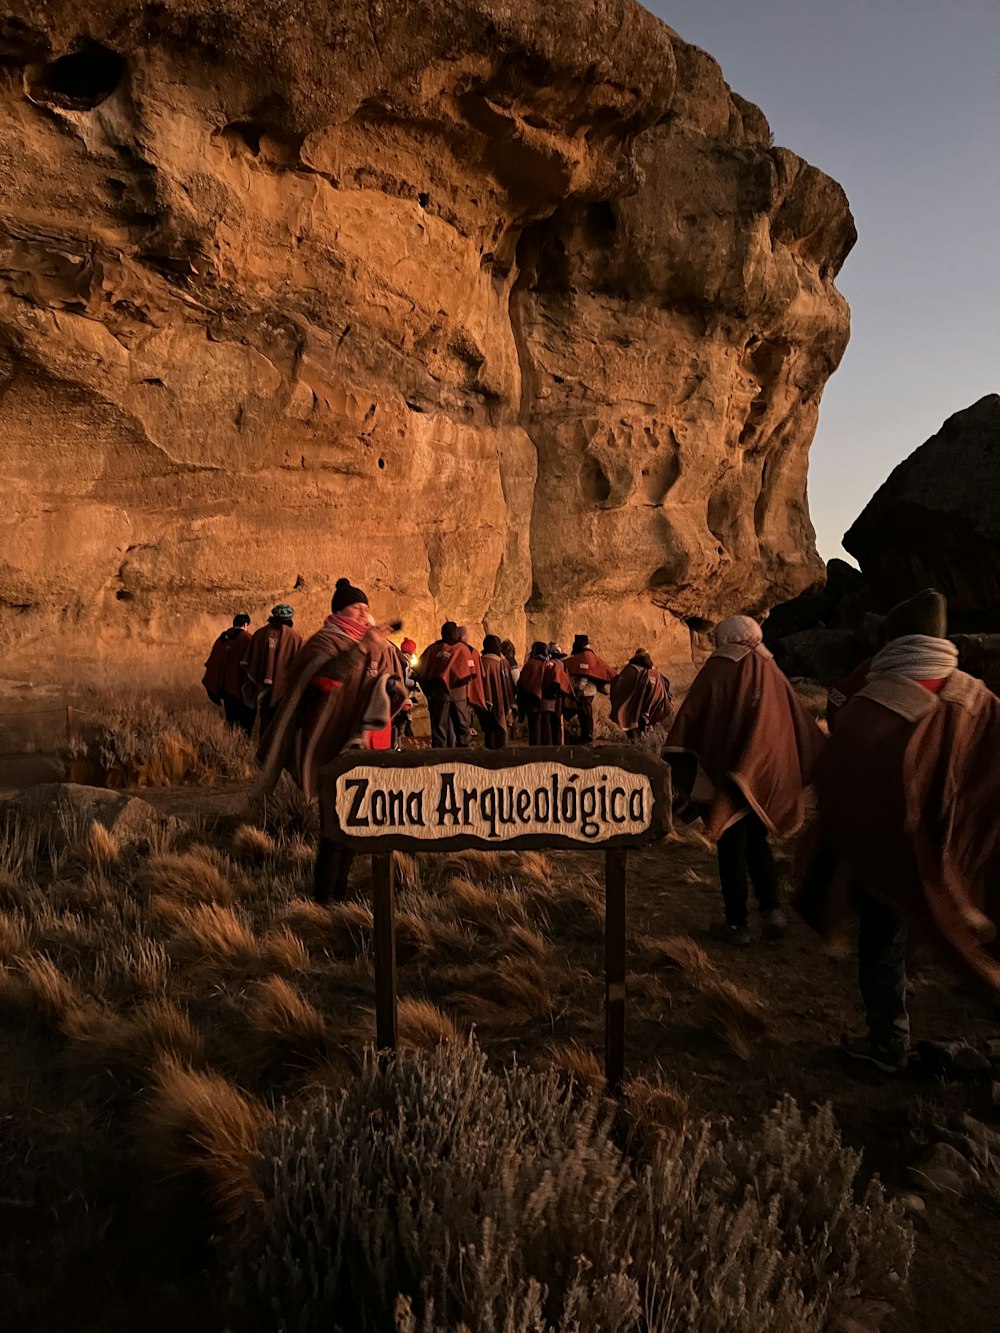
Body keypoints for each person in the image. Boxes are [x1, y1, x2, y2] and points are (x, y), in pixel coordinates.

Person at [795, 591, 1000, 1074]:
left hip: (888, 856)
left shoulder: (876, 703)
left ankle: (888, 1039)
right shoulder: (979, 697)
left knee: (884, 943)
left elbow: (839, 777)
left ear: (894, 640)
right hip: (971, 852)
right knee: (968, 938)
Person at [664, 616, 824, 947]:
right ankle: (772, 910)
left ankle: (737, 924)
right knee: (757, 841)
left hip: (726, 775)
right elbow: (795, 720)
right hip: (763, 774)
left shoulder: (719, 667)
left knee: (730, 844)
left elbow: (694, 716)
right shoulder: (771, 669)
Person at [255, 579, 406, 902]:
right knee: (335, 828)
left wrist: (392, 689)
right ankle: (327, 900)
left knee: (363, 824)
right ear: (339, 611)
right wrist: (362, 648)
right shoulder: (323, 643)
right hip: (330, 749)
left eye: (367, 607)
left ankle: (360, 892)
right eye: (356, 607)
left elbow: (390, 683)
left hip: (366, 750)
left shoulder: (379, 646)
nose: (365, 613)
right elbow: (323, 680)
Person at [415, 622, 481, 748]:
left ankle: (440, 758)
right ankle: (464, 758)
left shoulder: (434, 648)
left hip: (439, 694)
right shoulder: (462, 648)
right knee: (462, 727)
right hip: (458, 694)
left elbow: (420, 668)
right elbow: (469, 672)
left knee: (439, 729)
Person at [242, 605, 303, 735]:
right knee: (279, 724)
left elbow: (251, 662)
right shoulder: (295, 638)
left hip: (263, 688)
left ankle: (261, 747)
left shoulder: (260, 634)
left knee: (265, 718)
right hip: (283, 690)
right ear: (289, 619)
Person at [202, 614, 255, 736]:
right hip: (240, 689)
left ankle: (231, 745)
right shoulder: (247, 639)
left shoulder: (222, 638)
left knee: (230, 721)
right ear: (246, 625)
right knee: (245, 724)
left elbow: (213, 661)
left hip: (225, 689)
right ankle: (241, 749)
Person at [610, 649, 673, 741]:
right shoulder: (654, 672)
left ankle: (638, 744)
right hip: (645, 707)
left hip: (638, 707)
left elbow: (619, 684)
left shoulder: (632, 669)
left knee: (636, 728)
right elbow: (665, 685)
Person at [518, 642, 574, 745]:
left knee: (535, 729)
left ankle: (536, 754)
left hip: (533, 702)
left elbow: (522, 683)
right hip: (550, 702)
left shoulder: (531, 664)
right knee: (548, 727)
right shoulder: (552, 664)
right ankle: (549, 752)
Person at [563, 634, 614, 744]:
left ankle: (588, 737)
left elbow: (584, 675)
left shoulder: (585, 657)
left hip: (586, 692)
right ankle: (586, 736)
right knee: (584, 713)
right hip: (587, 691)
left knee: (585, 713)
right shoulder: (588, 656)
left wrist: (578, 689)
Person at [477, 634, 516, 748]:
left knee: (489, 732)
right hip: (502, 703)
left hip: (484, 702)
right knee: (501, 731)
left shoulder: (481, 661)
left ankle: (489, 761)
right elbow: (509, 685)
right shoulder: (503, 662)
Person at [392, 637, 419, 748]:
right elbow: (404, 679)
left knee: (400, 722)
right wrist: (415, 683)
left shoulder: (399, 658)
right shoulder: (404, 662)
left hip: (400, 695)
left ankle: (398, 744)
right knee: (402, 723)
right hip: (403, 696)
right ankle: (400, 745)